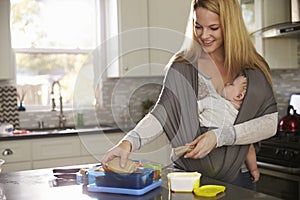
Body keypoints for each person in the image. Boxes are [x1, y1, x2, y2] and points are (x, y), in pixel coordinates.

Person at [102, 0, 277, 190]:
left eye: (214, 28)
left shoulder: (252, 68)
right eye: (198, 26)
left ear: (230, 25)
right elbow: (162, 114)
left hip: (238, 177)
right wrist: (128, 142)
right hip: (187, 178)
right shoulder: (183, 67)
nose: (204, 35)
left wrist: (219, 136)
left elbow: (269, 124)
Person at [197, 74, 260, 183]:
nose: (225, 83)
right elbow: (249, 148)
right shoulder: (243, 119)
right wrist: (253, 169)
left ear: (239, 96)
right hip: (228, 169)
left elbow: (190, 110)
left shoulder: (212, 100)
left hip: (207, 165)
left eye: (230, 84)